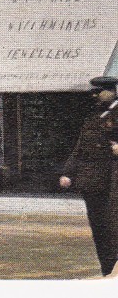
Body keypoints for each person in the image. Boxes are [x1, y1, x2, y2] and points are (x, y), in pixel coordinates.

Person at [59, 75, 118, 277]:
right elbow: (79, 149)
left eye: (98, 91)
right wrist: (68, 172)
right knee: (99, 228)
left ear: (112, 90)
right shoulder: (92, 118)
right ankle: (108, 270)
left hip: (113, 181)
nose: (94, 95)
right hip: (92, 182)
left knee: (113, 227)